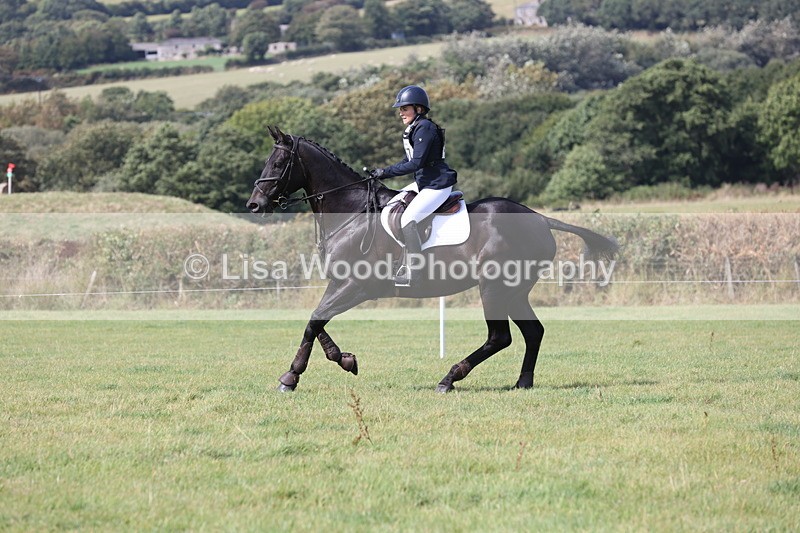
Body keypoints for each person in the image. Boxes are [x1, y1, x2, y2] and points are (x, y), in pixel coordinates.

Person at [370, 85, 458, 286]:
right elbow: (406, 160)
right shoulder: (415, 128)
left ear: (419, 109)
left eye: (405, 108)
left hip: (437, 184)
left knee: (408, 219)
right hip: (424, 182)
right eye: (400, 109)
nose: (401, 113)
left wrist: (386, 172)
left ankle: (416, 272)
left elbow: (415, 163)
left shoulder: (425, 128)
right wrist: (382, 171)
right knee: (392, 206)